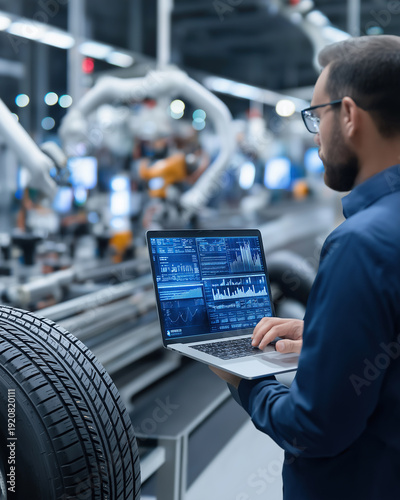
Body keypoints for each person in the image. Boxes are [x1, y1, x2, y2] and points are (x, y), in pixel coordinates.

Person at [211, 35, 400, 499]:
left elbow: (313, 430)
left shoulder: (360, 244)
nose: (316, 136)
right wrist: (327, 335)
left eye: (317, 116)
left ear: (350, 116)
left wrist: (244, 380)